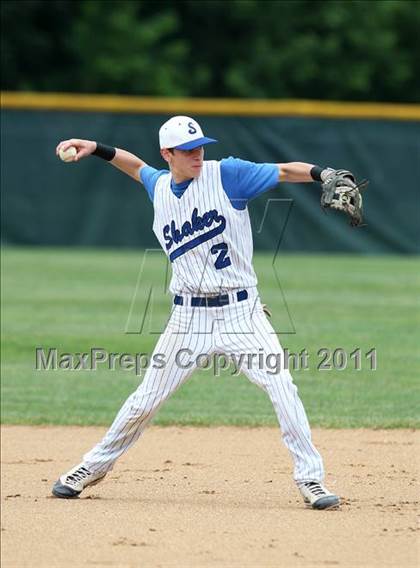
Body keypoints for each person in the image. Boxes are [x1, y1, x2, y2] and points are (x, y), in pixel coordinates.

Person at [52, 115, 340, 510]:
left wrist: (322, 173)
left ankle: (311, 479)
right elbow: (137, 168)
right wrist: (98, 149)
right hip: (188, 318)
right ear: (167, 154)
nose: (197, 155)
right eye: (187, 150)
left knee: (281, 387)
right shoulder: (159, 186)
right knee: (145, 400)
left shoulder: (228, 175)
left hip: (242, 312)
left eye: (200, 146)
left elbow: (284, 171)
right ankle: (92, 466)